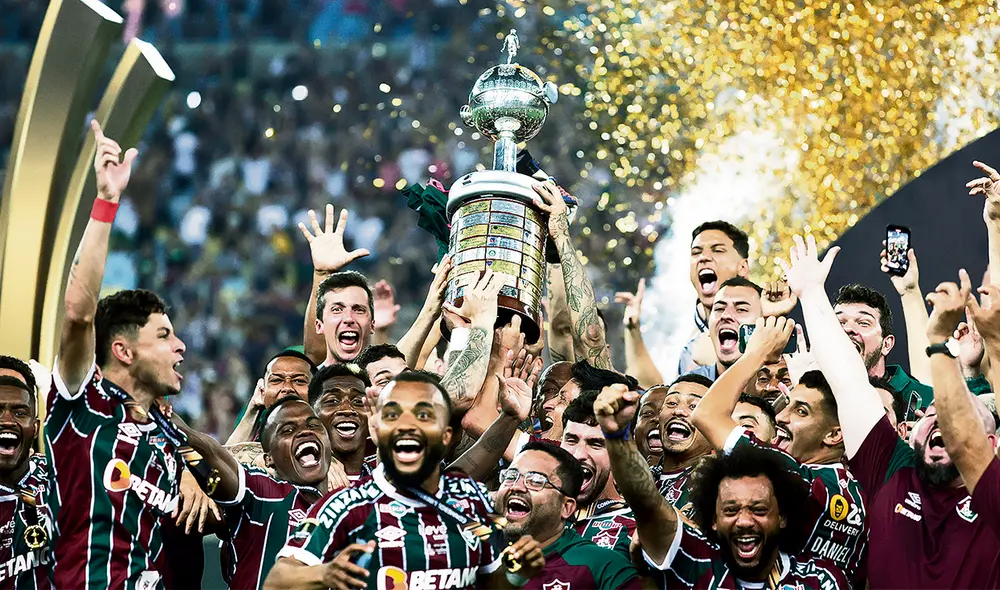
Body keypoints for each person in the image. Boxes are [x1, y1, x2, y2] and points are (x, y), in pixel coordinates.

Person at [779, 231, 1000, 587]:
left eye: (959, 418)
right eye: (930, 416)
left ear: (992, 444)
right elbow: (848, 380)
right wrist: (811, 294)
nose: (939, 421)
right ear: (910, 433)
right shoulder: (892, 470)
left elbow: (964, 443)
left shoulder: (994, 497)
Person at [45, 121, 186, 588]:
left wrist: (199, 474)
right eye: (164, 335)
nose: (180, 346)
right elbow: (79, 314)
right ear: (122, 350)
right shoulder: (82, 401)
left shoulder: (170, 437)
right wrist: (106, 202)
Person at [265, 371, 545, 589]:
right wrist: (324, 573)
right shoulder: (346, 506)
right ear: (378, 432)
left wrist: (517, 576)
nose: (407, 425)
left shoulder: (472, 500)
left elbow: (492, 582)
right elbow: (277, 581)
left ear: (446, 435)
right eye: (392, 415)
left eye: (423, 415)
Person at [594, 384, 849, 589]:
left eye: (759, 510)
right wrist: (617, 437)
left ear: (781, 517)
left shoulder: (821, 580)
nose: (745, 521)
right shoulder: (696, 560)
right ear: (713, 520)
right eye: (730, 510)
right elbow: (645, 500)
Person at [691, 316, 868, 583]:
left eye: (800, 411)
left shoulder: (797, 477)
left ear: (835, 435)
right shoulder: (861, 489)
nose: (782, 417)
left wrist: (757, 352)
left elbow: (706, 414)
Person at [172, 396, 332, 589]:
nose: (305, 432)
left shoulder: (353, 506)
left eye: (314, 425)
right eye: (287, 430)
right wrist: (162, 415)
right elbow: (211, 454)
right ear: (269, 459)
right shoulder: (262, 493)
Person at [495, 442, 641, 589]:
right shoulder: (477, 548)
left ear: (566, 507)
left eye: (536, 481)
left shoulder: (602, 567)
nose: (516, 486)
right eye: (510, 476)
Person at [559, 391, 636, 558]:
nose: (578, 454)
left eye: (595, 444)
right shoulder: (538, 513)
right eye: (571, 440)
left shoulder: (637, 528)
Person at [833, 283, 935, 408]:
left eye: (863, 323)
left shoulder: (926, 400)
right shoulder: (814, 393)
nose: (848, 328)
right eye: (839, 322)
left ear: (886, 344)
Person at [300, 205, 374, 367]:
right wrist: (321, 273)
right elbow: (315, 355)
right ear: (319, 325)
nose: (348, 318)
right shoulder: (314, 383)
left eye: (359, 310)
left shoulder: (383, 380)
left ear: (372, 324)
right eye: (337, 310)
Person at [0, 355, 50, 590]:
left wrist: (182, 467)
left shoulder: (60, 476)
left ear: (36, 427)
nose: (7, 421)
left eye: (20, 412)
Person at [679, 221, 751, 375]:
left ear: (743, 267)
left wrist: (719, 364)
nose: (703, 257)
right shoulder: (690, 353)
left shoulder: (770, 332)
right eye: (696, 252)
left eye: (717, 250)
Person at [227, 350, 318, 448]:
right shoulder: (258, 437)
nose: (287, 388)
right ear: (262, 391)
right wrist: (253, 410)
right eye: (276, 380)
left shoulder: (327, 433)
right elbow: (228, 460)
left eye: (299, 381)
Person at [307, 363, 373, 481]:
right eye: (333, 401)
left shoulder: (389, 483)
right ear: (312, 414)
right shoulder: (293, 483)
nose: (347, 409)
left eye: (358, 401)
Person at [690, 277, 764, 382]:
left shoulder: (779, 385)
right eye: (719, 309)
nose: (725, 315)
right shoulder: (688, 385)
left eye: (741, 310)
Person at [633, 384, 667, 466]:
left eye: (665, 414)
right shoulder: (617, 473)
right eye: (647, 413)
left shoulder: (697, 475)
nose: (657, 418)